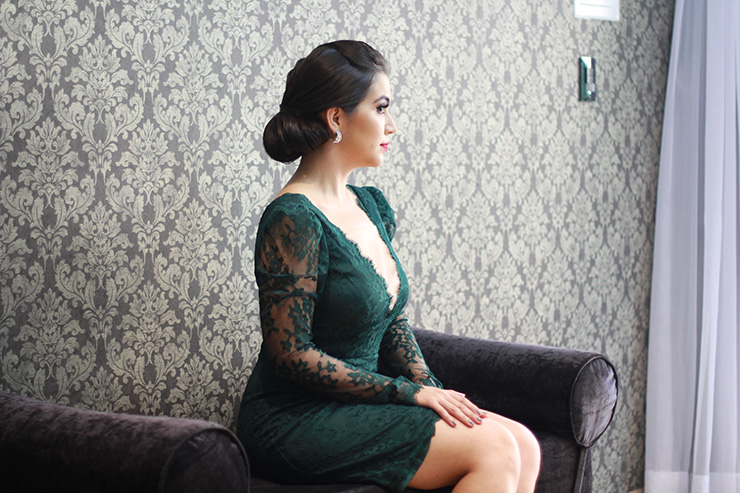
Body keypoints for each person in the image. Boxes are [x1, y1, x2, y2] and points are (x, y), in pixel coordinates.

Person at [237, 40, 540, 493]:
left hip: (361, 402)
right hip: (293, 417)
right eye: (381, 108)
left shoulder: (371, 206)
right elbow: (291, 355)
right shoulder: (293, 218)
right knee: (493, 447)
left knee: (523, 443)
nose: (392, 125)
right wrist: (408, 392)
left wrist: (432, 388)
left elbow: (390, 319)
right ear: (336, 119)